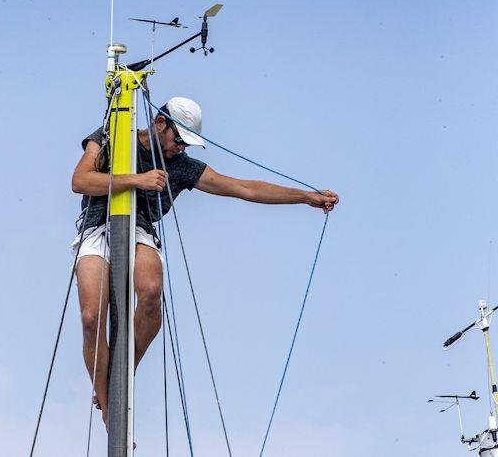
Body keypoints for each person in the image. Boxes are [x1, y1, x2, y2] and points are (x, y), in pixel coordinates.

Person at [70, 96, 339, 428]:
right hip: (96, 226)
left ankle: (121, 378)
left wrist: (305, 197)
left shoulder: (182, 166)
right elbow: (79, 181)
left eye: (186, 143)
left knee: (152, 293)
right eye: (178, 139)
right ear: (159, 123)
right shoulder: (113, 136)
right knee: (90, 317)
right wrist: (136, 180)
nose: (181, 148)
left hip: (139, 230)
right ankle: (110, 408)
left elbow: (243, 188)